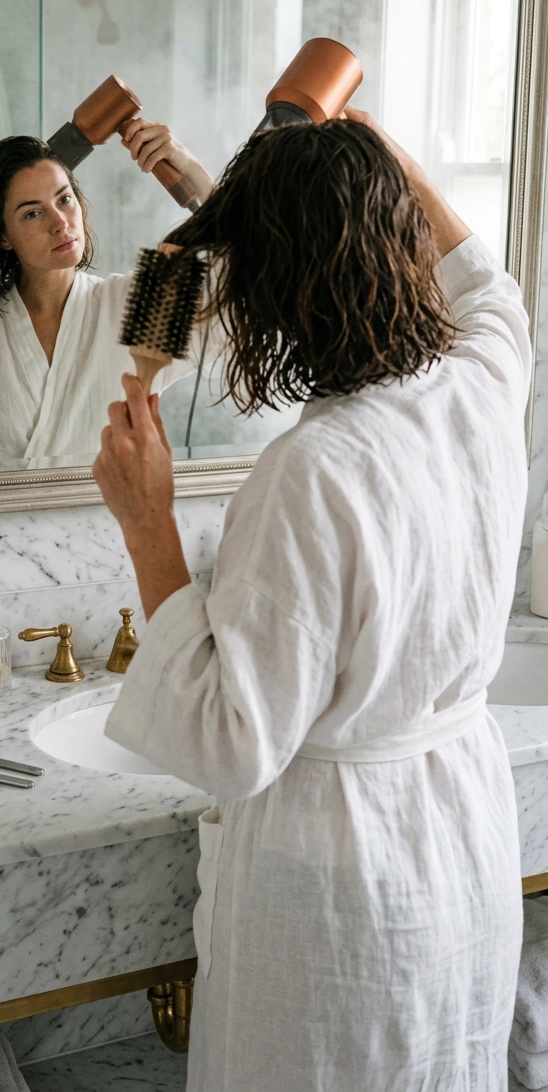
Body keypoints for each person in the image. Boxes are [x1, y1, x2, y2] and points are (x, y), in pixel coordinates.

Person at [93, 109, 530, 1091]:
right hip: (462, 838)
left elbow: (230, 740)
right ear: (398, 235)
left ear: (273, 292)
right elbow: (487, 283)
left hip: (341, 897)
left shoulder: (313, 471)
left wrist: (148, 523)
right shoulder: (484, 382)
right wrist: (371, 145)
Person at [0, 126, 209, 474]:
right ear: (4, 236)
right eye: (33, 213)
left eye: (64, 199)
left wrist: (189, 165)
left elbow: (247, 277)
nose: (60, 222)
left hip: (110, 524)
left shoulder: (135, 303)